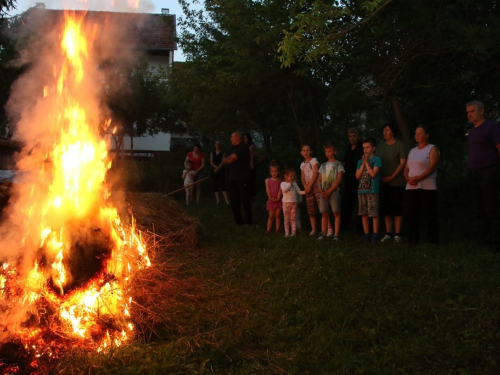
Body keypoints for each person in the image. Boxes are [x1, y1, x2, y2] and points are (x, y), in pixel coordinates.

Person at [466, 100, 500, 252]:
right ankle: (484, 240)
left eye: (472, 111)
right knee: (479, 208)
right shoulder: (472, 132)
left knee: (491, 207)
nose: (469, 114)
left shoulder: (491, 127)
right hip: (474, 174)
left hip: (489, 171)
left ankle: (496, 242)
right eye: (467, 112)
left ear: (481, 111)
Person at [404, 125, 440, 245]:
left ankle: (432, 240)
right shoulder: (412, 151)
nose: (417, 135)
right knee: (412, 213)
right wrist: (408, 178)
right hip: (411, 187)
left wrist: (419, 178)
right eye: (415, 133)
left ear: (427, 135)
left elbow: (433, 166)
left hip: (427, 187)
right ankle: (413, 240)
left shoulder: (432, 148)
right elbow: (406, 168)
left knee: (429, 214)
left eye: (420, 133)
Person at [377, 122, 408, 243]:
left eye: (387, 130)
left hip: (397, 182)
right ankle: (388, 233)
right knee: (386, 208)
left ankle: (397, 234)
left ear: (393, 132)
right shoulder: (381, 145)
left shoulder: (400, 145)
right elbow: (377, 161)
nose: (385, 132)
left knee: (396, 207)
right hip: (383, 181)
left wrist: (392, 177)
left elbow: (402, 163)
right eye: (383, 130)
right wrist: (380, 177)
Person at [223, 131, 252, 226]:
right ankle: (238, 221)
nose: (230, 139)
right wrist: (230, 158)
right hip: (233, 178)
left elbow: (233, 157)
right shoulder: (232, 148)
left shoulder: (243, 147)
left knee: (245, 200)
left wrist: (231, 158)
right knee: (234, 200)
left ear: (237, 138)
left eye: (232, 137)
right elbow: (225, 160)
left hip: (243, 177)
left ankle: (248, 221)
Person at [356, 138, 382, 244]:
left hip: (372, 191)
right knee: (364, 213)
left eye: (367, 147)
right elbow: (357, 176)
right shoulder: (359, 161)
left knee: (374, 213)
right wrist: (362, 164)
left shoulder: (377, 160)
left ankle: (375, 235)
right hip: (362, 191)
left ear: (373, 148)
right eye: (364, 148)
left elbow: (373, 174)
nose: (365, 150)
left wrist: (367, 163)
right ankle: (366, 235)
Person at [317, 141, 344, 241]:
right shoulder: (323, 165)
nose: (327, 153)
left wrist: (330, 190)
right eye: (326, 151)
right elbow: (319, 179)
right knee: (324, 213)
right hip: (323, 192)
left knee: (336, 212)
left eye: (329, 151)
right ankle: (323, 233)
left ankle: (336, 235)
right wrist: (320, 189)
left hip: (333, 192)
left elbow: (339, 179)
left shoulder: (338, 164)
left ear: (335, 152)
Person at [341, 128, 364, 232]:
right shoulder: (348, 147)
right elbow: (345, 161)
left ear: (358, 136)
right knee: (347, 203)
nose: (352, 138)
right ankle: (343, 226)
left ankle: (361, 228)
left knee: (361, 204)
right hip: (349, 180)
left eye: (354, 136)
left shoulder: (362, 147)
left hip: (360, 179)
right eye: (350, 136)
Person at [299, 143, 323, 235]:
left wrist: (310, 185)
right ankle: (313, 229)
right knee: (310, 207)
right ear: (301, 152)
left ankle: (328, 228)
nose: (306, 152)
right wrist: (306, 186)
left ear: (311, 151)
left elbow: (316, 173)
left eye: (308, 150)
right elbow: (302, 177)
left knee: (321, 205)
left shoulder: (314, 160)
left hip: (316, 184)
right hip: (308, 187)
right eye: (304, 150)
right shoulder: (302, 164)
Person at [280, 167, 306, 237]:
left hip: (294, 203)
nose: (292, 178)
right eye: (290, 176)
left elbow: (299, 192)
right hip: (286, 203)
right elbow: (284, 190)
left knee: (293, 218)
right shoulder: (283, 183)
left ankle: (293, 232)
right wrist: (289, 184)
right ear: (285, 176)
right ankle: (287, 233)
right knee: (286, 218)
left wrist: (306, 192)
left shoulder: (294, 184)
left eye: (293, 176)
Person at [265, 161, 283, 234]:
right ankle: (268, 230)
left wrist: (278, 198)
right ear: (270, 172)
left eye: (275, 171)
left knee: (277, 215)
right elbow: (267, 189)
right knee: (271, 216)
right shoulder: (267, 180)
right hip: (271, 200)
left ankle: (277, 230)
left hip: (278, 200)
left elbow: (280, 190)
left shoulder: (280, 180)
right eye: (272, 171)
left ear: (278, 172)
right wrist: (270, 197)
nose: (274, 173)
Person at [210, 140, 229, 204]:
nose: (217, 145)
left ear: (220, 145)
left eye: (218, 144)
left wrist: (218, 168)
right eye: (216, 144)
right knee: (215, 184)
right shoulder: (212, 153)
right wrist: (215, 167)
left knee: (222, 183)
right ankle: (217, 200)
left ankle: (226, 200)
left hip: (221, 169)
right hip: (214, 169)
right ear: (215, 145)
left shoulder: (223, 152)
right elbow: (211, 162)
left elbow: (223, 161)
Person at [243, 133, 257, 199]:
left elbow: (247, 152)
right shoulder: (244, 146)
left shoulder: (251, 146)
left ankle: (252, 195)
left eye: (246, 138)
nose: (245, 139)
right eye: (244, 138)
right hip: (245, 166)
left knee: (251, 181)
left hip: (250, 166)